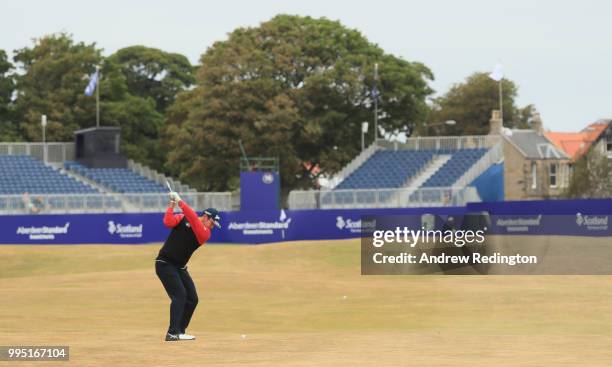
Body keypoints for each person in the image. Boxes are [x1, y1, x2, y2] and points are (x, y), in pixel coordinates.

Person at [155, 191, 221, 341]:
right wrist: (172, 204)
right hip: (165, 263)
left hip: (179, 267)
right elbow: (168, 222)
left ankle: (180, 331)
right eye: (212, 223)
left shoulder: (204, 233)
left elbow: (193, 219)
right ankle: (172, 333)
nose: (212, 227)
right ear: (205, 216)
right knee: (179, 295)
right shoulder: (183, 218)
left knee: (193, 298)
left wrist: (180, 201)